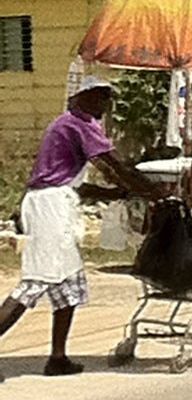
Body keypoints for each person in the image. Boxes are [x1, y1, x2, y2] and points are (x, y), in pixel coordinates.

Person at [0, 76, 167, 378]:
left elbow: (81, 187)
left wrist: (118, 193)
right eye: (97, 96)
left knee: (69, 287)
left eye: (106, 96)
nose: (103, 102)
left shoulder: (69, 124)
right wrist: (152, 191)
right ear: (79, 98)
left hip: (56, 203)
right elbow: (112, 166)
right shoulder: (78, 123)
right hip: (49, 208)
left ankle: (58, 357)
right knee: (36, 282)